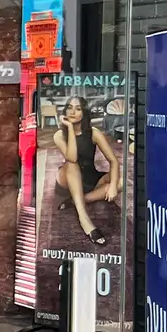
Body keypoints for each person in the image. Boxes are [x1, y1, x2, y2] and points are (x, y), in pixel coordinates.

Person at [53, 93, 122, 246]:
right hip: (67, 177)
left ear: (84, 113)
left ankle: (80, 200)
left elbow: (113, 161)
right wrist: (70, 128)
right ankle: (85, 221)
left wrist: (112, 187)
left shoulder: (94, 133)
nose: (72, 112)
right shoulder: (59, 135)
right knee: (72, 164)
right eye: (69, 108)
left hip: (89, 177)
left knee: (120, 181)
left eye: (78, 109)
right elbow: (72, 157)